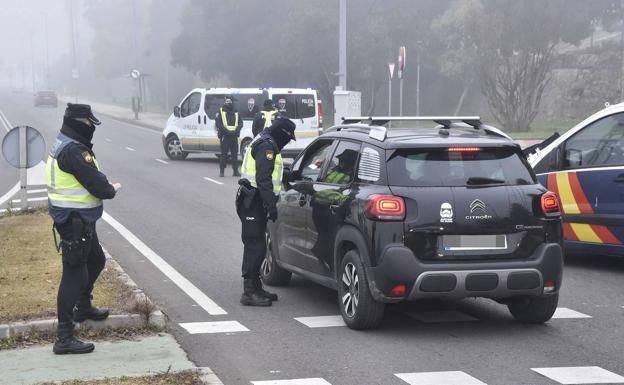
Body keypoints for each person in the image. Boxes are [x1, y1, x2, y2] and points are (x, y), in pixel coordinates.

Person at [46, 103, 120, 354]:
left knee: (96, 260)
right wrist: (109, 188)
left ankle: (83, 306)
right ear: (79, 122)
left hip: (80, 220)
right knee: (74, 275)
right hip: (73, 221)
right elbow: (97, 185)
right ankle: (64, 337)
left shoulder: (67, 143)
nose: (91, 128)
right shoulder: (73, 150)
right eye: (90, 123)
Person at [237, 116, 296, 306]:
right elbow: (263, 179)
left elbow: (272, 172)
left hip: (252, 199)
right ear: (282, 134)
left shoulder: (265, 140)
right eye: (288, 138)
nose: (287, 143)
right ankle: (249, 292)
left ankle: (256, 287)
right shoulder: (267, 146)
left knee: (258, 244)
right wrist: (271, 206)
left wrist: (295, 174)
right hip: (252, 201)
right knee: (255, 245)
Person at [215, 96, 243, 177]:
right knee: (224, 155)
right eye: (227, 101)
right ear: (224, 102)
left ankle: (235, 171)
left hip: (234, 136)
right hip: (225, 136)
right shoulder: (221, 111)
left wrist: (237, 130)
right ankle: (222, 171)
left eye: (230, 101)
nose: (228, 103)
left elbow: (240, 122)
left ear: (232, 102)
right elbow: (218, 123)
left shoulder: (236, 111)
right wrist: (226, 131)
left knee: (234, 155)